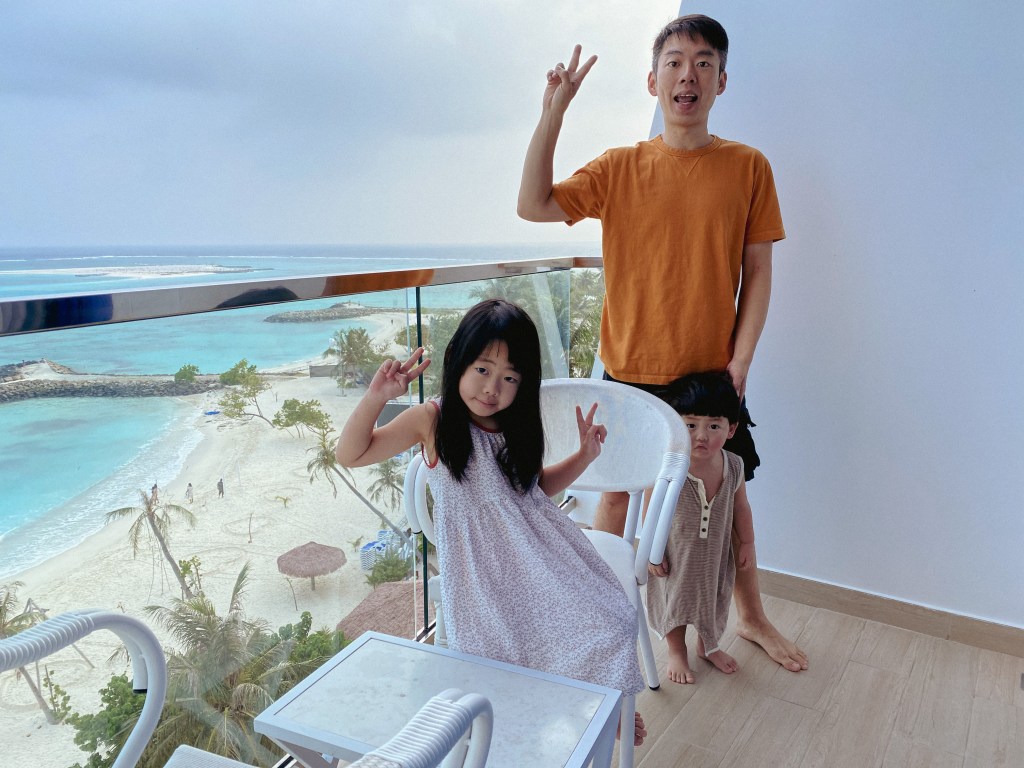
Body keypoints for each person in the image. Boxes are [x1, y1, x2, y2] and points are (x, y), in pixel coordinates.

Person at [517, 14, 807, 673]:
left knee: (727, 500)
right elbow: (533, 205)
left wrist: (740, 361)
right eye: (674, 62)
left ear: (722, 81)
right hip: (629, 370)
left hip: (710, 377)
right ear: (653, 81)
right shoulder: (620, 167)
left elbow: (759, 272)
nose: (688, 75)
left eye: (704, 63)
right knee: (616, 495)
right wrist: (553, 112)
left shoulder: (748, 167)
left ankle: (751, 616)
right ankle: (598, 626)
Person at [337, 299, 647, 745]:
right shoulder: (431, 419)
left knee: (608, 621)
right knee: (501, 656)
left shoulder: (516, 425)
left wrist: (584, 456)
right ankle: (538, 720)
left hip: (537, 552)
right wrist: (376, 398)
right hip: (481, 576)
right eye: (482, 369)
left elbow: (535, 491)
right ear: (458, 360)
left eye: (510, 378)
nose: (491, 388)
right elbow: (351, 454)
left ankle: (603, 702)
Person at [646, 371, 755, 683]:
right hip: (674, 555)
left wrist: (747, 542)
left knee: (713, 603)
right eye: (691, 425)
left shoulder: (734, 465)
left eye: (714, 426)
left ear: (731, 429)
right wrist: (652, 550)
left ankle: (708, 646)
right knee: (675, 601)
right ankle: (676, 650)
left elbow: (741, 506)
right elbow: (651, 508)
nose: (702, 435)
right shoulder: (669, 464)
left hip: (714, 557)